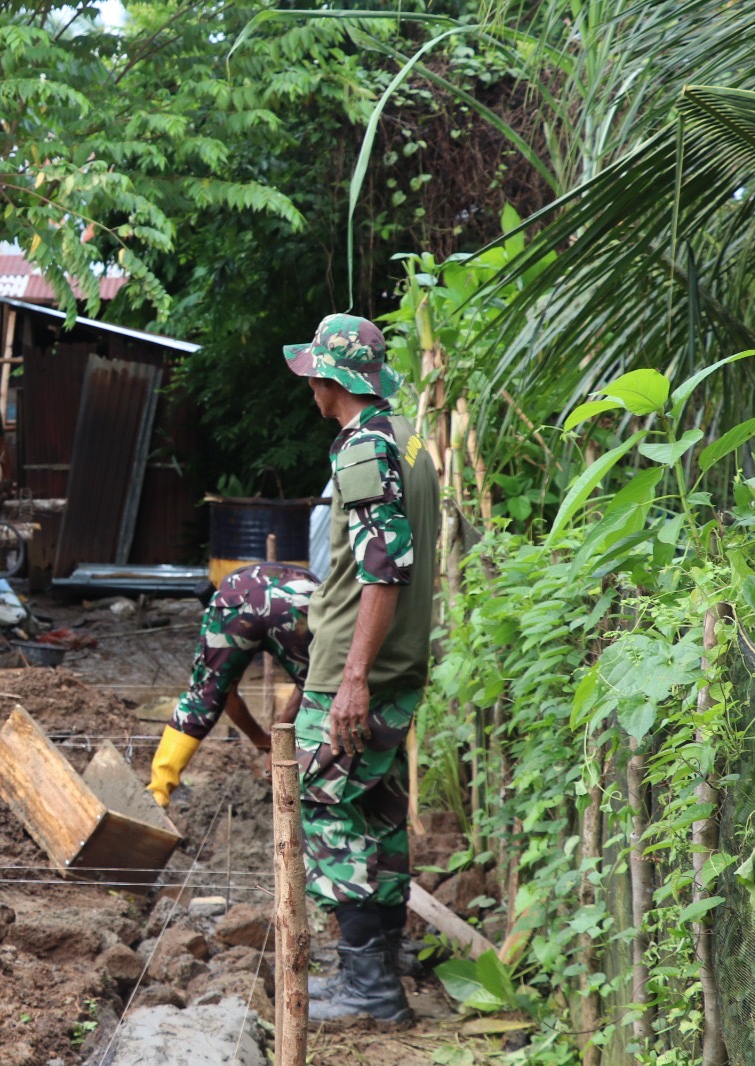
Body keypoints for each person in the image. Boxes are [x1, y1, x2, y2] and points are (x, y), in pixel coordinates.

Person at [280, 313, 437, 1024]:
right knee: (378, 814)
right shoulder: (407, 440)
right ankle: (387, 967)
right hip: (395, 669)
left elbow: (386, 567)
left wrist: (350, 677)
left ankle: (366, 987)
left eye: (312, 371)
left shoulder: (362, 450)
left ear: (330, 379)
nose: (307, 383)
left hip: (359, 672)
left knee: (325, 809)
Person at [145, 562, 319, 807]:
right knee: (319, 688)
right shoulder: (309, 583)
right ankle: (316, 794)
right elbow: (309, 688)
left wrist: (266, 741)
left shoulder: (229, 593)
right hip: (298, 600)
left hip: (235, 599)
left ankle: (157, 794)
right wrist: (269, 742)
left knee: (202, 697)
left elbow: (224, 693)